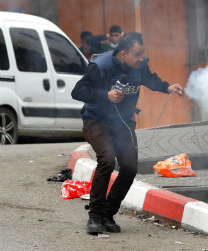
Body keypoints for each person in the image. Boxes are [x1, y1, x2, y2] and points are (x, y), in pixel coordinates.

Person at [71, 32, 183, 234]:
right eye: (137, 54)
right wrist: (106, 95)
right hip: (96, 120)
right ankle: (95, 216)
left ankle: (108, 214)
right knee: (107, 160)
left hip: (123, 123)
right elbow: (78, 91)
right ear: (123, 54)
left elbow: (149, 79)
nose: (141, 59)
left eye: (142, 54)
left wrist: (167, 87)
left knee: (130, 167)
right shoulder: (101, 65)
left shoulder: (140, 66)